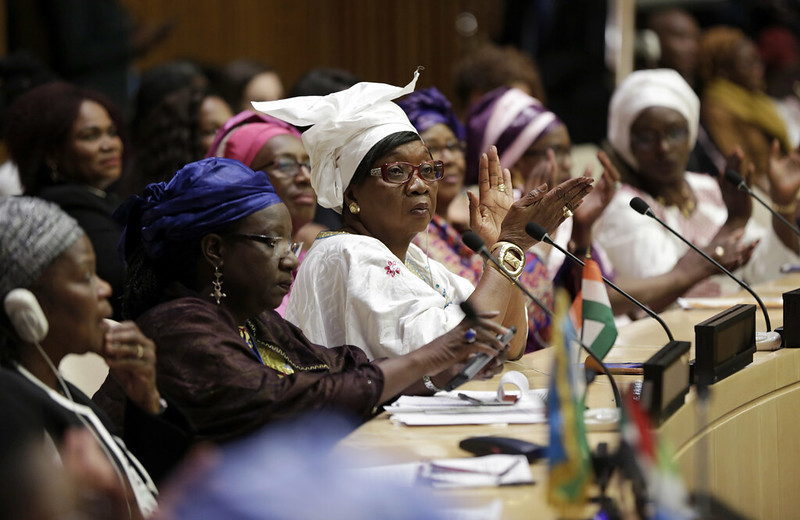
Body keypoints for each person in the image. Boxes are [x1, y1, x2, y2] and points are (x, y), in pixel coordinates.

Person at [94, 157, 507, 468]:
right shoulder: (178, 327)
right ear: (215, 249)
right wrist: (433, 355)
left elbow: (341, 368)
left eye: (289, 243)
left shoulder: (253, 320)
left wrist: (443, 369)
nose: (291, 259)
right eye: (271, 242)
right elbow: (287, 402)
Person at [254, 70, 593, 363]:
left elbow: (509, 342)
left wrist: (497, 245)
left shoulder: (414, 259)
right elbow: (458, 348)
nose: (419, 185)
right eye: (397, 171)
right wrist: (509, 247)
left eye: (427, 170)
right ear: (352, 194)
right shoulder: (345, 253)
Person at [0, 197, 175, 518]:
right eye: (85, 277)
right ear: (25, 306)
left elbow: (157, 489)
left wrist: (147, 401)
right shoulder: (10, 414)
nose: (105, 288)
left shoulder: (63, 392)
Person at [595, 69, 800, 310]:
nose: (663, 147)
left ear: (691, 133)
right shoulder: (626, 206)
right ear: (627, 142)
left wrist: (783, 204)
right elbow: (666, 301)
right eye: (646, 138)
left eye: (675, 132)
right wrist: (733, 224)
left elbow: (765, 269)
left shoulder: (707, 186)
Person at [399, 86, 557, 351]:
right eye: (432, 149)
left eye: (453, 146)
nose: (448, 158)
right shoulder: (413, 235)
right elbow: (490, 310)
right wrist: (530, 248)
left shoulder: (471, 219)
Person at [4, 81, 129, 318]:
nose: (109, 145)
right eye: (90, 136)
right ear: (51, 153)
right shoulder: (68, 206)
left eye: (112, 132)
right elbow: (125, 280)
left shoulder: (97, 197)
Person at [206, 111, 320, 315]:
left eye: (309, 165)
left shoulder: (315, 261)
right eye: (285, 164)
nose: (305, 177)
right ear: (241, 176)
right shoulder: (235, 278)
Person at [699, 26, 792, 191]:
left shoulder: (756, 99)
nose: (759, 70)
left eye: (759, 62)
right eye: (748, 64)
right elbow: (741, 165)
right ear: (725, 70)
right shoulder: (718, 107)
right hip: (759, 191)